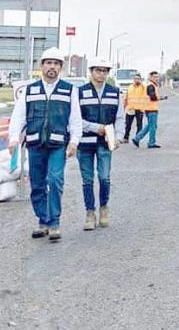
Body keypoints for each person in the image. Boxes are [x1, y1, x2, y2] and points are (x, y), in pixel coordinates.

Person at [8, 47, 83, 242]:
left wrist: (74, 141)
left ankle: (54, 222)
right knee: (38, 184)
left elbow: (75, 119)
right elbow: (18, 117)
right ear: (42, 66)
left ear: (61, 68)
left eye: (56, 64)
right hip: (35, 144)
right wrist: (13, 137)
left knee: (55, 180)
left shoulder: (69, 90)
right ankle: (43, 220)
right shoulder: (29, 91)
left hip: (58, 145)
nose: (52, 67)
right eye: (48, 63)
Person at [77, 58, 124, 230]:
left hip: (106, 143)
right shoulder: (79, 93)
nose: (101, 74)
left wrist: (118, 136)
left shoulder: (114, 92)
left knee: (104, 177)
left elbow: (120, 117)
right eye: (98, 70)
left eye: (105, 71)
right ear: (91, 72)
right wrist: (97, 128)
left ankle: (104, 207)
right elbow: (75, 120)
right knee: (87, 180)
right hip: (85, 143)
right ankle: (90, 212)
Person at [132, 71, 167, 148]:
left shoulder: (152, 85)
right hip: (151, 109)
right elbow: (153, 97)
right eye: (154, 77)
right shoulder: (150, 86)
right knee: (153, 127)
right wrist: (161, 98)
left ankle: (137, 138)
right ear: (150, 77)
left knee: (150, 125)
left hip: (151, 108)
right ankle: (151, 142)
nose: (156, 78)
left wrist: (161, 97)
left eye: (157, 77)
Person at [123, 73, 146, 142]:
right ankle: (126, 138)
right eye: (135, 79)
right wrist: (124, 107)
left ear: (140, 80)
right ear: (133, 79)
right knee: (128, 124)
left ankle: (137, 138)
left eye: (138, 79)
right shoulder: (130, 87)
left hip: (139, 109)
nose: (136, 80)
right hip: (130, 109)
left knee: (139, 125)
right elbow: (126, 98)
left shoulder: (143, 87)